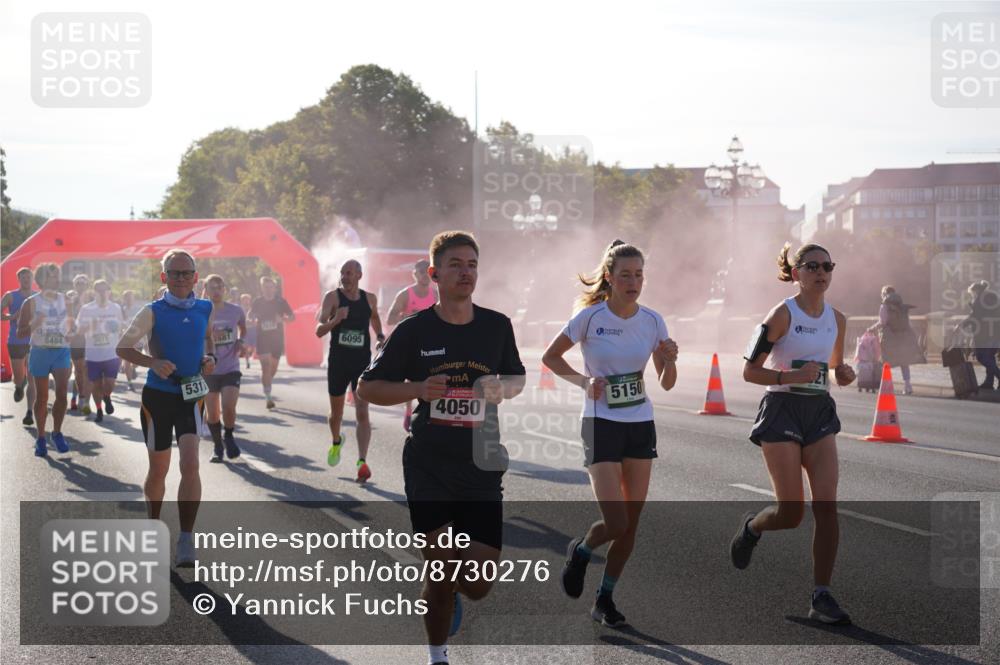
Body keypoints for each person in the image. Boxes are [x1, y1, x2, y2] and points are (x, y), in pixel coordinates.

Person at [358, 231, 525, 665]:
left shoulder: (496, 326)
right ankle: (438, 656)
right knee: (440, 569)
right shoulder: (414, 331)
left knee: (477, 584)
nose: (466, 272)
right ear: (434, 274)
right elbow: (368, 387)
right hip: (429, 463)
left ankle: (453, 593)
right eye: (455, 265)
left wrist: (502, 388)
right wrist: (417, 388)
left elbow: (517, 377)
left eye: (472, 265)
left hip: (481, 462)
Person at [543, 240, 677, 628]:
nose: (633, 282)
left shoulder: (653, 321)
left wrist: (669, 360)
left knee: (630, 524)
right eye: (626, 275)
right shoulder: (590, 318)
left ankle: (605, 598)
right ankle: (582, 550)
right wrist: (584, 382)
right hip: (600, 422)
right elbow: (551, 357)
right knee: (615, 522)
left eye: (639, 275)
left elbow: (667, 382)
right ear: (610, 277)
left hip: (639, 424)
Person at [731, 242, 855, 626]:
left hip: (818, 412)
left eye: (827, 266)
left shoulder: (838, 319)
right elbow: (750, 371)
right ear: (797, 272)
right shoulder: (781, 315)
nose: (821, 272)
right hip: (781, 409)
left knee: (827, 506)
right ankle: (753, 527)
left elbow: (835, 368)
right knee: (791, 513)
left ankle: (821, 595)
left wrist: (844, 373)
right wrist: (790, 376)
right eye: (812, 266)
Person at [117, 249, 216, 567]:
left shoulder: (205, 307)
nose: (181, 278)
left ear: (196, 277)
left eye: (187, 273)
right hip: (158, 398)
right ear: (164, 277)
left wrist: (209, 358)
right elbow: (123, 347)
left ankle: (186, 538)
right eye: (175, 273)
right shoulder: (152, 311)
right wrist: (152, 362)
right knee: (159, 469)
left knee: (190, 463)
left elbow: (208, 339)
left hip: (191, 396)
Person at [315, 260, 385, 481]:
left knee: (362, 412)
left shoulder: (369, 299)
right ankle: (336, 441)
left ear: (359, 276)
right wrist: (336, 319)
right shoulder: (332, 297)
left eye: (349, 273)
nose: (344, 277)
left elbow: (374, 318)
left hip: (361, 362)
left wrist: (380, 336)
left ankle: (362, 462)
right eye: (343, 273)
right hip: (338, 362)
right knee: (336, 414)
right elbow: (319, 330)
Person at [16, 263, 74, 457]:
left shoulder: (66, 300)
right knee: (42, 397)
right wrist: (35, 324)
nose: (56, 280)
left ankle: (56, 433)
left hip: (61, 351)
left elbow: (70, 324)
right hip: (40, 352)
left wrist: (71, 332)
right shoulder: (31, 302)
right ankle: (41, 437)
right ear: (42, 279)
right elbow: (20, 332)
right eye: (52, 276)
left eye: (57, 276)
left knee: (62, 394)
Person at [385, 259, 438, 432]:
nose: (425, 276)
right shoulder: (405, 294)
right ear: (414, 274)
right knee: (411, 381)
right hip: (410, 344)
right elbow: (390, 319)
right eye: (421, 272)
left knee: (431, 379)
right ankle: (408, 411)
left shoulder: (435, 295)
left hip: (430, 344)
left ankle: (428, 415)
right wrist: (406, 317)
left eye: (428, 272)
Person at [202, 274, 246, 461]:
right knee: (212, 413)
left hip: (230, 367)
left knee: (228, 407)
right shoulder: (200, 312)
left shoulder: (235, 310)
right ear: (205, 290)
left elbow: (243, 328)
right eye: (212, 287)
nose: (216, 291)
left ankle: (228, 436)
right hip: (208, 368)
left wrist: (241, 341)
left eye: (220, 287)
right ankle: (217, 446)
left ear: (225, 290)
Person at [76, 279, 124, 423]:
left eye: (105, 290)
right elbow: (79, 331)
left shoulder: (115, 308)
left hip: (111, 353)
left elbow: (120, 328)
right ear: (94, 292)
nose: (102, 293)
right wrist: (91, 325)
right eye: (99, 290)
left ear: (109, 291)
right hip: (93, 355)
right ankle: (99, 410)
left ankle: (107, 396)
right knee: (96, 385)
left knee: (109, 384)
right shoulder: (86, 309)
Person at [249, 277, 294, 409]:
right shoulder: (258, 302)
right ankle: (268, 396)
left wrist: (283, 319)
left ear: (274, 288)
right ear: (262, 288)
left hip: (276, 339)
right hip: (262, 338)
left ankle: (267, 382)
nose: (268, 290)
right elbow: (250, 314)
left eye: (270, 287)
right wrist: (251, 319)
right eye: (265, 287)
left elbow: (292, 317)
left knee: (272, 369)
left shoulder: (281, 301)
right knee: (266, 367)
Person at [2, 267, 38, 425]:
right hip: (16, 341)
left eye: (29, 277)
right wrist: (12, 316)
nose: (26, 280)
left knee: (32, 377)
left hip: (34, 341)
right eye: (23, 277)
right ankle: (19, 384)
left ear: (32, 279)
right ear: (19, 280)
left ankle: (29, 412)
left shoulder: (38, 296)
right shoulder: (10, 296)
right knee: (18, 377)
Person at [875, 285, 924, 395]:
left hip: (889, 337)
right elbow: (906, 321)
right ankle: (908, 385)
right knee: (903, 362)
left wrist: (873, 328)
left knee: (886, 362)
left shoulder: (884, 306)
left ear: (884, 294)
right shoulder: (901, 305)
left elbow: (882, 322)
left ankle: (886, 386)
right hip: (903, 336)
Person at [966, 280, 1000, 391]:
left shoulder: (979, 300)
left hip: (986, 335)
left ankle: (996, 377)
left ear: (975, 291)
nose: (972, 295)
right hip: (995, 333)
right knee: (989, 358)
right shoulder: (989, 298)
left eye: (972, 293)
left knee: (982, 357)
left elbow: (975, 317)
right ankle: (989, 382)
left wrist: (962, 325)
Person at [67, 274, 92, 413]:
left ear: (87, 285)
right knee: (79, 370)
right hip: (76, 339)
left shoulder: (93, 298)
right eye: (78, 283)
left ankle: (84, 399)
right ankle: (78, 396)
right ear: (74, 285)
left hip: (90, 339)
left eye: (83, 283)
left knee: (87, 370)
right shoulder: (71, 298)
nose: (80, 286)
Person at [119, 290, 145, 391]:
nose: (128, 299)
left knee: (136, 361)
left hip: (138, 338)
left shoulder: (139, 309)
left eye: (130, 297)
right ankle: (129, 383)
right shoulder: (122, 310)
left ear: (133, 298)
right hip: (126, 339)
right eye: (126, 297)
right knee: (127, 362)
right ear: (124, 299)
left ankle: (133, 368)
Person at [239, 293, 256, 370]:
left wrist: (254, 321)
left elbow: (255, 317)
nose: (246, 301)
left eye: (247, 299)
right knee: (246, 346)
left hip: (252, 329)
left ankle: (249, 353)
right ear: (242, 300)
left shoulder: (252, 308)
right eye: (244, 300)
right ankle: (247, 362)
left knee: (253, 346)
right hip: (244, 330)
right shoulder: (239, 309)